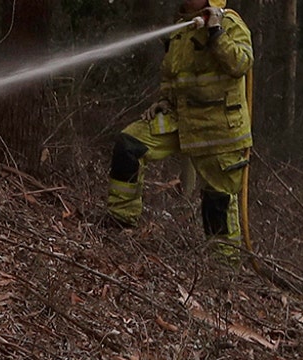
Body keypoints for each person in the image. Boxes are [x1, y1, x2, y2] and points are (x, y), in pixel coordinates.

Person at [105, 0, 252, 260]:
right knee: (130, 144)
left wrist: (216, 32)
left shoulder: (229, 23)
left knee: (217, 200)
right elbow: (173, 75)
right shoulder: (180, 30)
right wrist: (164, 99)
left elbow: (241, 63)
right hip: (180, 119)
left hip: (218, 128)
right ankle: (120, 223)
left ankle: (224, 271)